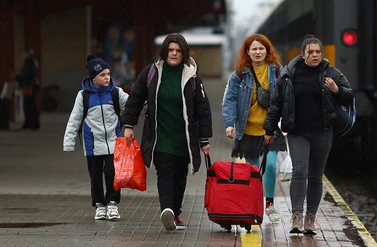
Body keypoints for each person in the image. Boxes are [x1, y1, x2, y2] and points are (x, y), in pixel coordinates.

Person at [121, 33, 212, 232]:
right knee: (165, 172)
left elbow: (202, 108)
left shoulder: (191, 75)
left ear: (183, 53)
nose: (174, 54)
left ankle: (176, 212)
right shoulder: (152, 72)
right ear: (164, 51)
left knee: (180, 176)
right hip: (160, 136)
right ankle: (167, 210)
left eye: (178, 51)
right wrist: (128, 125)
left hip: (184, 136)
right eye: (170, 50)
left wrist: (204, 139)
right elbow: (135, 98)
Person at [263, 34, 353, 235]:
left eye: (318, 52)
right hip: (297, 132)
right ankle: (296, 217)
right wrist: (269, 130)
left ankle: (310, 219)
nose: (314, 55)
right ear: (302, 54)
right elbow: (276, 103)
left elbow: (349, 96)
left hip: (323, 132)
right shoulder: (289, 74)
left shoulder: (331, 73)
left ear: (322, 53)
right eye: (310, 52)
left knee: (315, 176)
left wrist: (336, 89)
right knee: (300, 171)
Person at [222, 34, 287, 223]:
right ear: (248, 52)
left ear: (267, 51)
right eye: (254, 49)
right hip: (248, 130)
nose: (258, 52)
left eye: (261, 48)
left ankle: (269, 204)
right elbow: (230, 100)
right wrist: (228, 124)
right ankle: (254, 204)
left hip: (271, 130)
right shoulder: (240, 74)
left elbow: (286, 97)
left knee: (272, 165)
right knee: (252, 171)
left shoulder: (277, 72)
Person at [63, 55, 129, 221]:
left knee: (112, 173)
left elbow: (131, 105)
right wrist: (68, 142)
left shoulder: (116, 93)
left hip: (113, 142)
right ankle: (100, 205)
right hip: (92, 144)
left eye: (108, 74)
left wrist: (144, 102)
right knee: (95, 175)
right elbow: (75, 119)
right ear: (93, 77)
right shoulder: (83, 96)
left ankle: (113, 203)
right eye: (102, 75)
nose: (107, 77)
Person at [16, 48, 40, 130]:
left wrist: (18, 77)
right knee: (31, 105)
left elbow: (27, 74)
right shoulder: (32, 62)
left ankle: (31, 123)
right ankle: (33, 123)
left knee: (29, 105)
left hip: (29, 86)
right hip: (32, 85)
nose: (22, 56)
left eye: (23, 54)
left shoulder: (29, 62)